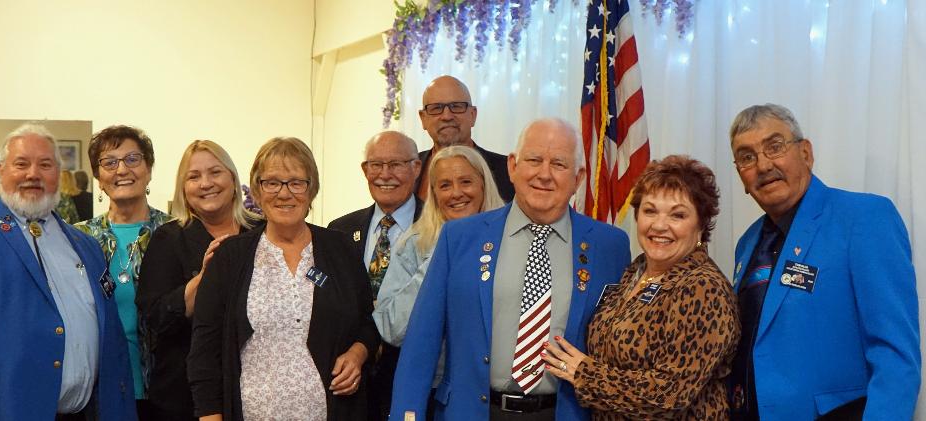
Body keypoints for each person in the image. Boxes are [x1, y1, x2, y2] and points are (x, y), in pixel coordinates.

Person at [390, 118, 630, 420]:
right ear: (513, 166)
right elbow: (421, 342)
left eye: (558, 164)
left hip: (565, 412)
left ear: (578, 178)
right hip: (473, 412)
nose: (544, 174)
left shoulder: (609, 246)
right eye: (534, 160)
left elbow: (620, 348)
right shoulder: (460, 238)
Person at [0, 123, 136, 420]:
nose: (33, 174)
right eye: (21, 164)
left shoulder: (87, 246)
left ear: (58, 174)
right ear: (1, 171)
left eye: (45, 165)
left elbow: (112, 341)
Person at [726, 104, 920, 420]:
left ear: (806, 153)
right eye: (746, 157)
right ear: (741, 177)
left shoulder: (864, 218)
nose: (763, 165)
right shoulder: (746, 244)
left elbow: (896, 357)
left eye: (774, 146)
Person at [187, 137, 380, 420]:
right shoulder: (230, 257)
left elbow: (368, 323)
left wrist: (358, 354)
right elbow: (205, 352)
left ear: (311, 189)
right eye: (272, 183)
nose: (284, 193)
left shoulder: (341, 249)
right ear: (257, 190)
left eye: (296, 183)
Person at [539, 155, 740, 419]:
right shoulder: (636, 270)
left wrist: (584, 374)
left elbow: (668, 395)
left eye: (678, 215)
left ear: (701, 224)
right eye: (650, 211)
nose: (659, 225)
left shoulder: (703, 288)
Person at [374, 145, 505, 417]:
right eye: (445, 185)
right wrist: (442, 254)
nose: (456, 193)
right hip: (437, 396)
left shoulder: (511, 241)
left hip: (500, 394)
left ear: (483, 185)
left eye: (466, 182)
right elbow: (391, 329)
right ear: (434, 194)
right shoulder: (414, 243)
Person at [137, 140, 259, 421]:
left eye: (215, 172)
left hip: (255, 390)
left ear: (233, 178)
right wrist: (206, 277)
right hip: (183, 397)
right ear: (183, 188)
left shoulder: (261, 232)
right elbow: (156, 318)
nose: (206, 183)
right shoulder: (168, 239)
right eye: (194, 176)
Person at [75, 124, 171, 419]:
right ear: (98, 177)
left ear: (149, 169)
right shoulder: (79, 239)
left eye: (132, 159)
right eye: (109, 162)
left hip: (166, 392)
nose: (122, 169)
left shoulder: (175, 233)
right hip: (99, 391)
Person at [327, 130, 423, 421]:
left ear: (416, 168)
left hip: (413, 377)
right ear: (364, 170)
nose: (385, 174)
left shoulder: (437, 225)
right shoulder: (340, 230)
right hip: (350, 382)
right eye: (376, 165)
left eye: (395, 164)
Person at [414, 75, 514, 202]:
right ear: (423, 118)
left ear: (473, 115)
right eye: (436, 108)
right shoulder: (408, 169)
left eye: (456, 106)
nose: (447, 116)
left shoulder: (508, 172)